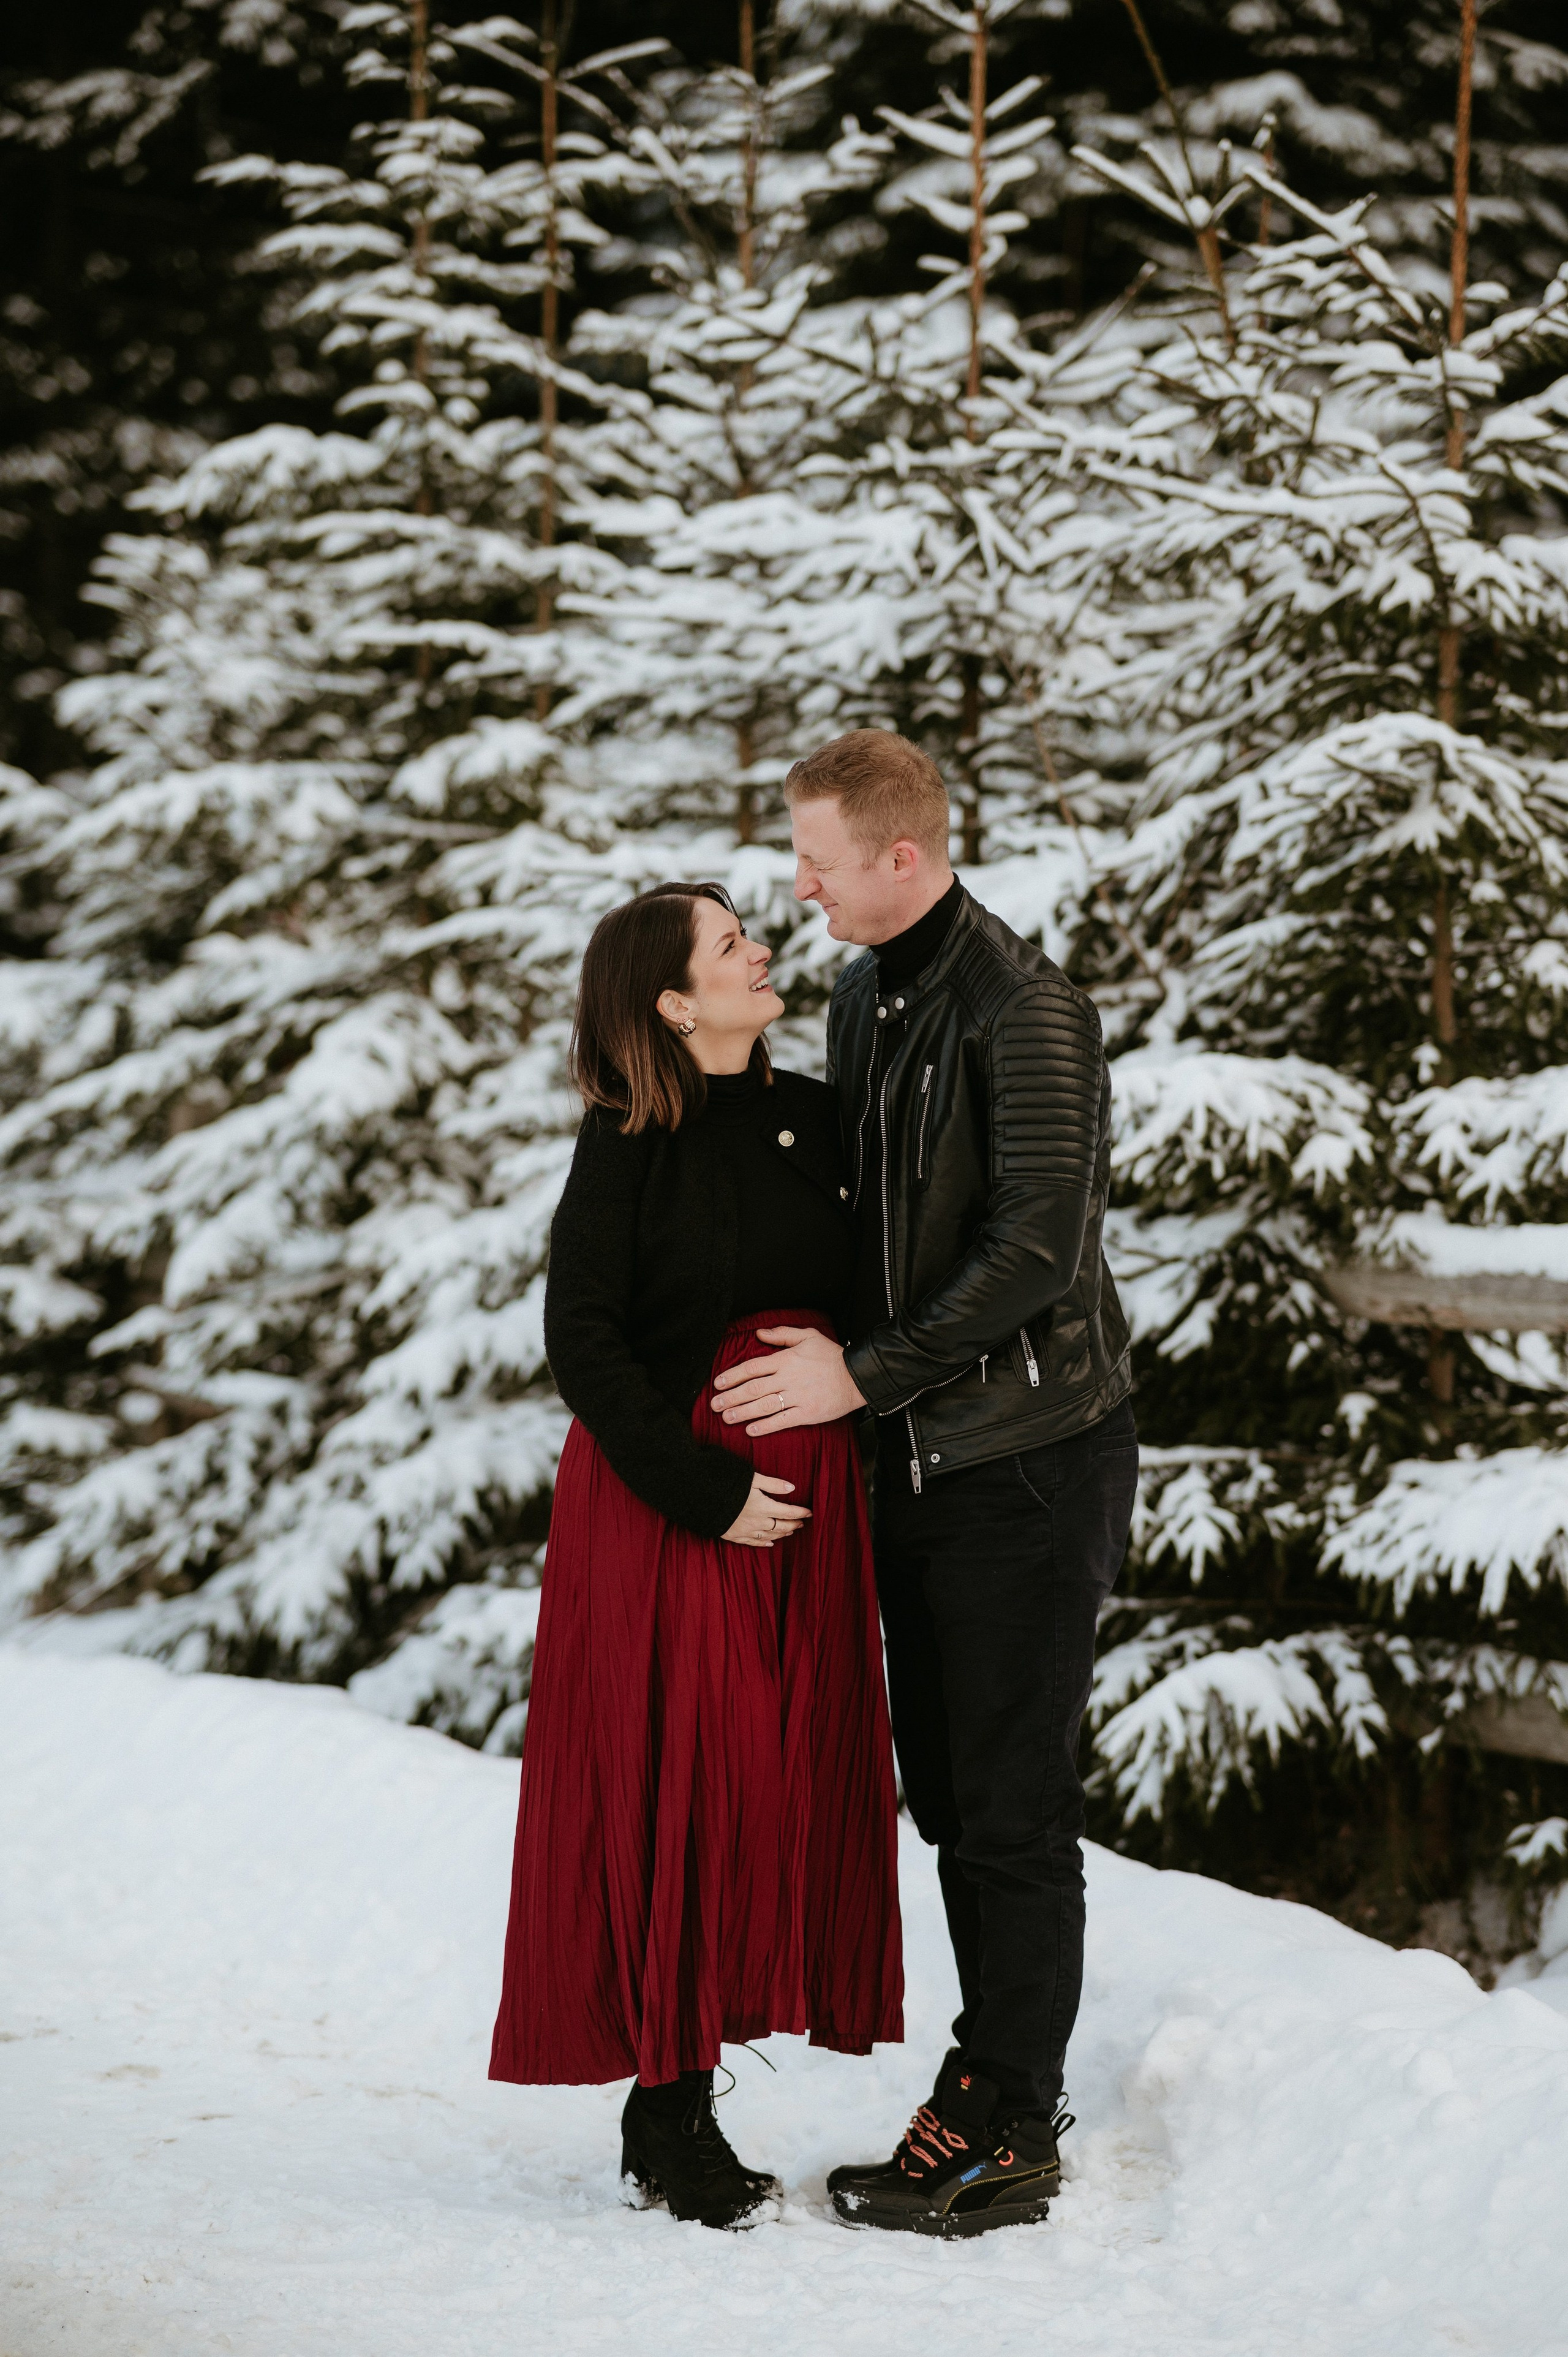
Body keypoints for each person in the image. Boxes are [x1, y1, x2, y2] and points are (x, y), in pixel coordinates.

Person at [710, 731, 1137, 2240]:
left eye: (819, 861)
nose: (801, 886)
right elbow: (869, 1206)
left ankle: (1010, 2121)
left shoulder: (1025, 1010)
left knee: (1009, 1809)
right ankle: (995, 2087)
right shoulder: (859, 985)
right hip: (917, 1464)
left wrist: (863, 1374)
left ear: (903, 854)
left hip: (1024, 1461)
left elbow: (1033, 1250)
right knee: (956, 1799)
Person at [488, 879, 902, 2232]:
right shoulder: (627, 1138)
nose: (758, 948)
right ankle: (666, 2104)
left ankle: (705, 2063)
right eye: (730, 944)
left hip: (807, 1510)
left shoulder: (816, 1121)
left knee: (779, 1774)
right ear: (673, 1003)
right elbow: (583, 1339)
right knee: (691, 1774)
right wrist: (700, 1490)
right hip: (674, 1508)